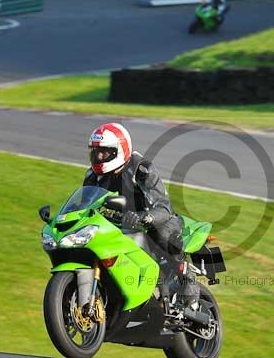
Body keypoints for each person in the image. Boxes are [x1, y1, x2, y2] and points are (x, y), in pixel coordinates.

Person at [82, 122, 200, 310]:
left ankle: (185, 275)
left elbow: (164, 206)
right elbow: (85, 206)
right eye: (95, 152)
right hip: (123, 223)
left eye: (104, 152)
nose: (98, 157)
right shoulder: (93, 176)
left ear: (119, 151)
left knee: (161, 234)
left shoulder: (141, 169)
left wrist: (145, 217)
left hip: (158, 219)